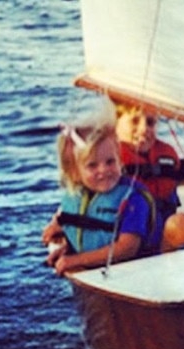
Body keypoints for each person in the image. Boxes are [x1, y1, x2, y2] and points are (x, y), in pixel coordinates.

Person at [41, 103, 161, 275]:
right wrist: (68, 247)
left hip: (137, 273)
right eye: (92, 165)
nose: (103, 170)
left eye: (110, 162)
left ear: (120, 160)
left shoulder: (133, 200)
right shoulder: (78, 195)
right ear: (75, 172)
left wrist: (76, 260)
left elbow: (127, 248)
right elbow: (85, 226)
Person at [114, 102, 184, 250]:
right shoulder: (108, 162)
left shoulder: (165, 157)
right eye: (134, 121)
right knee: (182, 224)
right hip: (130, 236)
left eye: (150, 122)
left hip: (162, 232)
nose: (143, 129)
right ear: (115, 123)